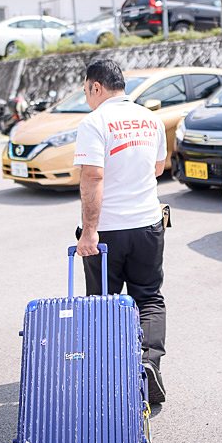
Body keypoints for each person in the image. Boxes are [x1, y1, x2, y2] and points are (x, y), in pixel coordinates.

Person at [73, 58, 168, 405]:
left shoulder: (94, 122)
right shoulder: (151, 119)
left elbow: (93, 177)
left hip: (108, 232)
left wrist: (89, 233)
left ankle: (108, 376)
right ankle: (147, 363)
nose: (87, 98)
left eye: (86, 91)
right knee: (148, 298)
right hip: (148, 224)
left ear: (96, 87)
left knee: (103, 304)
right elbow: (158, 168)